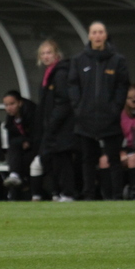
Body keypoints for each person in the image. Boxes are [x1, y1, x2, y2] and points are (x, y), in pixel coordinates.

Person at [68, 21, 129, 200]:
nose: (97, 36)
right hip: (85, 119)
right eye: (94, 32)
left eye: (100, 32)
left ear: (105, 35)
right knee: (87, 160)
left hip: (109, 118)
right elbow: (72, 85)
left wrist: (115, 109)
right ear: (89, 36)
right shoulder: (79, 60)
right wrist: (79, 108)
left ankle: (117, 195)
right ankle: (89, 195)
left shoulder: (117, 60)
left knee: (114, 159)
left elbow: (122, 86)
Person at [36, 39, 76, 202]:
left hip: (62, 126)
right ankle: (57, 192)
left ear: (56, 54)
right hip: (53, 125)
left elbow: (63, 101)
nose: (46, 56)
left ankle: (67, 192)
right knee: (53, 159)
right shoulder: (49, 75)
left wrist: (52, 122)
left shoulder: (60, 74)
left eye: (49, 53)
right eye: (43, 53)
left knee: (62, 159)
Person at [101, 83, 135, 191]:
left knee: (132, 160)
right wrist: (121, 152)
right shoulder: (120, 114)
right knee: (104, 160)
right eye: (129, 98)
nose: (133, 100)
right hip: (126, 150)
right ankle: (109, 195)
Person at [2, 90, 41, 200]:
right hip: (21, 150)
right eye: (6, 105)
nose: (9, 108)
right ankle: (15, 178)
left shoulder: (32, 112)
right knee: (15, 153)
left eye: (12, 104)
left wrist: (27, 141)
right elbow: (12, 139)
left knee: (22, 161)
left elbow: (37, 135)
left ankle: (19, 186)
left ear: (20, 103)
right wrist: (23, 141)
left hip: (37, 148)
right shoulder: (10, 118)